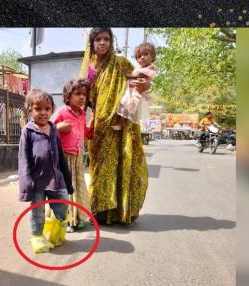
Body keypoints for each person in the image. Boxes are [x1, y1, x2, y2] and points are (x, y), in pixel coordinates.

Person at [80, 27, 150, 225]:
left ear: (111, 42)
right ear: (91, 44)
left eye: (106, 39)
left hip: (122, 125)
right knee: (100, 168)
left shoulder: (121, 63)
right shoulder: (90, 69)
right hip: (100, 126)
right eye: (98, 39)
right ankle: (101, 211)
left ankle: (121, 211)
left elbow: (141, 80)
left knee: (123, 163)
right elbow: (87, 99)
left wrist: (146, 86)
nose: (102, 43)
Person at [18, 89, 74, 253]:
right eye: (38, 109)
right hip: (37, 182)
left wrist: (68, 182)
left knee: (63, 204)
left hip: (57, 179)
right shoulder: (27, 131)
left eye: (47, 109)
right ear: (30, 110)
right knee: (37, 213)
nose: (43, 112)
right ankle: (37, 237)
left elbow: (61, 157)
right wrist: (26, 185)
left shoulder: (54, 130)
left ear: (51, 110)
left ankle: (58, 230)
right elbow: (23, 160)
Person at [52, 79, 94, 233]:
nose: (82, 97)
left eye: (84, 94)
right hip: (64, 158)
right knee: (67, 190)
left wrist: (93, 123)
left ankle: (79, 218)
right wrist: (58, 127)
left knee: (78, 188)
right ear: (68, 96)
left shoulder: (83, 115)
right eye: (77, 94)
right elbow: (48, 130)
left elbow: (88, 134)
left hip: (77, 158)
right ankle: (68, 220)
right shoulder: (62, 112)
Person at [112, 42, 158, 131]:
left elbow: (139, 76)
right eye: (139, 56)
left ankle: (121, 125)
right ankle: (120, 124)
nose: (142, 57)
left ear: (152, 56)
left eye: (146, 54)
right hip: (131, 91)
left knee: (127, 107)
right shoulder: (139, 68)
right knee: (124, 106)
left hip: (137, 93)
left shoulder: (150, 69)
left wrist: (125, 74)